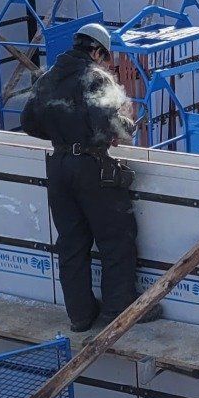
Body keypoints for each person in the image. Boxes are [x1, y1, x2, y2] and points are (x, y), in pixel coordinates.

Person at [20, 22, 158, 332]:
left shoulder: (48, 78)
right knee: (116, 238)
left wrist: (63, 135)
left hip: (58, 166)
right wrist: (126, 125)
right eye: (107, 58)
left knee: (71, 243)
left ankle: (80, 316)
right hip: (91, 168)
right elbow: (115, 127)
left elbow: (28, 122)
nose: (108, 64)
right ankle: (119, 308)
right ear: (97, 51)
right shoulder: (96, 78)